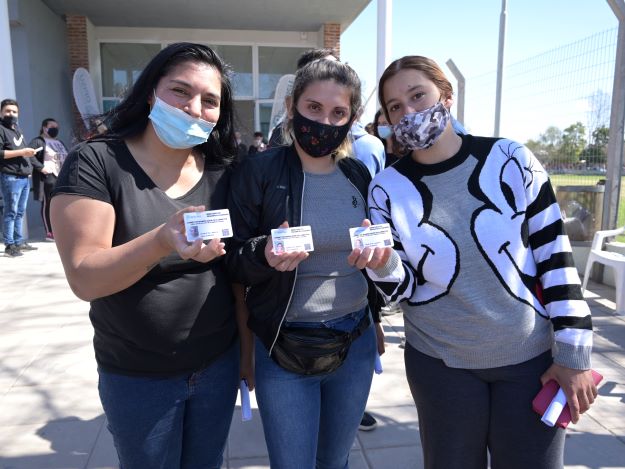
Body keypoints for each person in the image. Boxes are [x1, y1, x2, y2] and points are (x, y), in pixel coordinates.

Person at [354, 55, 597, 469]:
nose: (408, 113)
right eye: (396, 107)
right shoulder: (385, 189)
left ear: (446, 97)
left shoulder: (510, 159)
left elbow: (555, 256)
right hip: (440, 365)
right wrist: (381, 266)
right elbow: (403, 289)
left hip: (529, 361)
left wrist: (573, 352)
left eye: (418, 96)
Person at [50, 43, 240, 469]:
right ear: (151, 92)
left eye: (210, 100)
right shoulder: (97, 161)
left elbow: (236, 273)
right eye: (180, 91)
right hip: (137, 376)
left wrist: (245, 354)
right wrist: (161, 240)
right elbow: (85, 277)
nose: (194, 108)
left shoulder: (224, 169)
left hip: (217, 366)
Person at [227, 59, 385, 468]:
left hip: (356, 341)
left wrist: (377, 320)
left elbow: (371, 259)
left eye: (338, 113)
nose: (324, 122)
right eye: (313, 108)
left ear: (352, 118)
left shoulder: (358, 174)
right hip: (284, 346)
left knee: (335, 461)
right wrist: (265, 254)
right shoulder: (258, 170)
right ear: (292, 105)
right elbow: (232, 260)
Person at [0, 99, 41, 257]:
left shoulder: (16, 128)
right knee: (11, 212)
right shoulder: (1, 129)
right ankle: (10, 245)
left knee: (20, 212)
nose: (11, 114)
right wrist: (23, 153)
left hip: (23, 177)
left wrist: (28, 166)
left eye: (14, 112)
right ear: (1, 112)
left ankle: (19, 241)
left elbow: (22, 149)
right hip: (10, 177)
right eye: (7, 111)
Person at [30, 118, 69, 240]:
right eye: (52, 126)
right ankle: (49, 232)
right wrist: (41, 168)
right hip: (48, 177)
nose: (55, 129)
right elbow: (29, 155)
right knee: (48, 204)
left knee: (60, 204)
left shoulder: (59, 142)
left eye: (56, 127)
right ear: (44, 127)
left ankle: (60, 230)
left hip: (61, 177)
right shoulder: (38, 141)